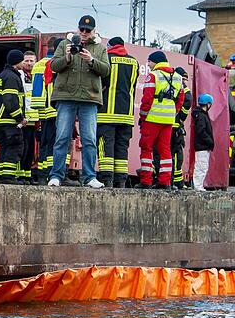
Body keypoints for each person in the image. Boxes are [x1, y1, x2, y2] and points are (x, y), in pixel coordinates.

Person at [47, 15, 110, 188]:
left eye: (87, 31)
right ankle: (56, 176)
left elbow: (106, 70)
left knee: (89, 139)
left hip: (89, 98)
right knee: (62, 137)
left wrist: (91, 60)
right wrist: (67, 58)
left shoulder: (100, 48)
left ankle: (90, 177)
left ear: (94, 31)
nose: (84, 33)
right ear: (77, 29)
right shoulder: (63, 44)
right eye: (81, 29)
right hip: (66, 96)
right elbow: (53, 66)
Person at [137, 51, 184, 189]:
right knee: (165, 150)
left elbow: (147, 99)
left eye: (149, 62)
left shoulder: (153, 76)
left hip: (152, 119)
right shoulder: (178, 77)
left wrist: (143, 116)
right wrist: (171, 112)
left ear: (155, 62)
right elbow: (180, 100)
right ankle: (165, 182)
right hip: (168, 120)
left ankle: (146, 181)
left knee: (146, 148)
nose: (149, 64)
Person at [95, 37, 138, 188]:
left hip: (106, 113)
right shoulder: (134, 62)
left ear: (110, 46)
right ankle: (120, 181)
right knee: (121, 147)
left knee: (105, 145)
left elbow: (100, 84)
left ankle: (107, 180)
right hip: (126, 115)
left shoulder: (106, 59)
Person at [31, 38, 63, 185]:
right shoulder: (62, 63)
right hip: (60, 112)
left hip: (45, 113)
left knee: (45, 144)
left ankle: (44, 175)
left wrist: (39, 114)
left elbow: (37, 92)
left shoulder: (39, 65)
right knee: (60, 144)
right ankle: (58, 173)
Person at [0, 50, 26, 184]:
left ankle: (1, 176)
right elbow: (10, 100)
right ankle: (8, 177)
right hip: (10, 120)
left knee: (4, 148)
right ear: (17, 61)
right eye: (23, 60)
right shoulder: (12, 77)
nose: (24, 63)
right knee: (15, 146)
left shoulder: (2, 75)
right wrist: (20, 118)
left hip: (1, 120)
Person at [17, 50, 38, 184]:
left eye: (32, 61)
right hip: (22, 120)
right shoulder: (19, 75)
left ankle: (26, 175)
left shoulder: (36, 75)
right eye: (26, 61)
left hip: (33, 120)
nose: (29, 63)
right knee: (21, 148)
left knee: (30, 150)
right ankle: (19, 175)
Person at [171, 67, 192, 189]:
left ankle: (174, 181)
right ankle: (176, 181)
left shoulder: (172, 82)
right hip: (176, 126)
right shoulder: (181, 86)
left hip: (169, 124)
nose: (184, 82)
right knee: (175, 153)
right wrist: (181, 118)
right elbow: (188, 100)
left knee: (170, 153)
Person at [192, 94, 215, 191]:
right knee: (201, 167)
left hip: (202, 146)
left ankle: (198, 186)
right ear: (207, 104)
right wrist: (209, 141)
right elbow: (201, 131)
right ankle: (198, 187)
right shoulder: (202, 116)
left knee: (202, 166)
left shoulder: (201, 115)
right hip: (202, 146)